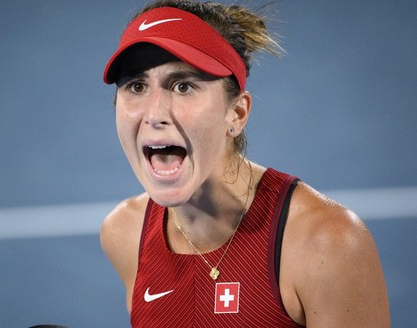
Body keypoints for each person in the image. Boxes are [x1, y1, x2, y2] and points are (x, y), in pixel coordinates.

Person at [99, 0, 390, 327]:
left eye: (183, 86)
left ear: (236, 114)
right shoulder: (124, 234)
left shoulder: (326, 244)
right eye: (136, 86)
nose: (154, 114)